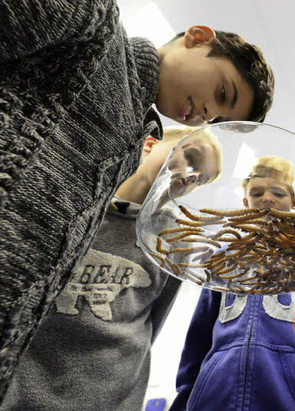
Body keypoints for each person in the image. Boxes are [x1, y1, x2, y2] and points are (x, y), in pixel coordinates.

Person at [0, 1, 274, 397]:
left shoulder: (131, 145)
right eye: (221, 92)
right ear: (197, 38)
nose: (207, 113)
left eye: (216, 119)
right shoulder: (94, 25)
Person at [0, 126, 223, 410]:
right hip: (22, 387)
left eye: (200, 179)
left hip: (112, 395)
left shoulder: (174, 240)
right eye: (190, 157)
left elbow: (154, 319)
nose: (190, 176)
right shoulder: (75, 204)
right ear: (149, 144)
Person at [170, 155, 295, 411]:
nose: (267, 198)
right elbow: (197, 341)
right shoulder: (223, 262)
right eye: (257, 193)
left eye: (278, 193)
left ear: (294, 203)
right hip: (218, 399)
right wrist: (187, 400)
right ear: (245, 202)